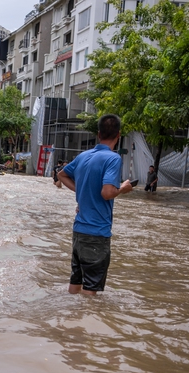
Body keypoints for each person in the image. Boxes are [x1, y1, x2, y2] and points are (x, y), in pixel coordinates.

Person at [57, 114, 133, 295]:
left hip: (79, 232)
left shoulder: (84, 156)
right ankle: (82, 323)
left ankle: (65, 322)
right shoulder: (113, 159)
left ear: (98, 134)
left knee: (75, 284)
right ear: (119, 135)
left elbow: (61, 175)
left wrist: (83, 192)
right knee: (90, 293)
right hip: (96, 234)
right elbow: (107, 193)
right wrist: (123, 188)